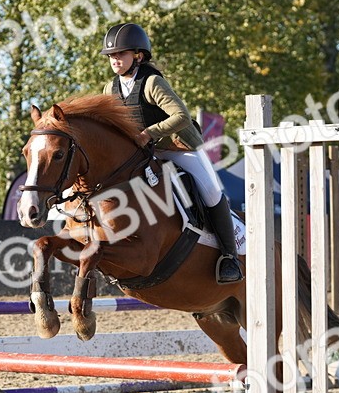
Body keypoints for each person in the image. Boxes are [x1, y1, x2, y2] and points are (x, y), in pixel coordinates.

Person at [99, 22, 243, 284]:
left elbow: (181, 116)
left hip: (177, 147)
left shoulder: (152, 82)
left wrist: (148, 134)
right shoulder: (111, 88)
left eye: (120, 54)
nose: (115, 59)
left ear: (138, 55)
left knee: (211, 191)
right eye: (111, 55)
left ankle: (230, 257)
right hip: (142, 153)